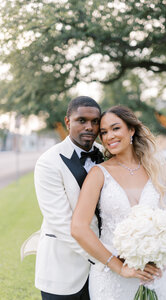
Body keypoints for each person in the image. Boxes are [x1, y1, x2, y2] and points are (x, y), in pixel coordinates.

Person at [71, 105, 166, 300]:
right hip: (111, 279)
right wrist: (119, 267)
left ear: (131, 130)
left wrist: (160, 262)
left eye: (115, 128)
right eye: (103, 132)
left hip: (154, 275)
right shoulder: (98, 173)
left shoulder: (158, 169)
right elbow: (78, 227)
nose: (109, 136)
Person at [21, 96, 104, 299]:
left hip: (103, 278)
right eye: (81, 120)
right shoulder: (48, 162)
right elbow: (61, 222)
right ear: (68, 122)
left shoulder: (107, 154)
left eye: (95, 121)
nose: (90, 127)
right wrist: (106, 259)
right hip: (61, 272)